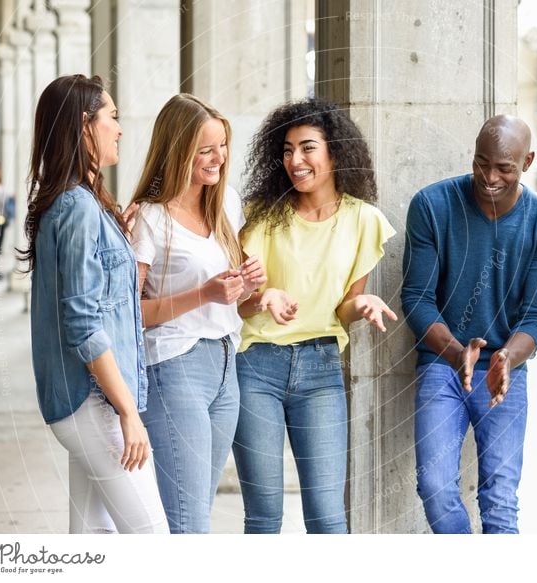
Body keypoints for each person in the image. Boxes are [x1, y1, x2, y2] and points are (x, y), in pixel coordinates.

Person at [233, 97, 397, 534]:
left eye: (307, 148)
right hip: (256, 367)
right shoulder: (261, 217)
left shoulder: (365, 221)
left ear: (335, 152)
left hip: (320, 369)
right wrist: (263, 296)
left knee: (327, 515)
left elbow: (343, 306)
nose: (295, 160)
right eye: (287, 150)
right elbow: (239, 303)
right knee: (264, 515)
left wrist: (360, 306)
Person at [401, 115, 537, 534]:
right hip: (442, 364)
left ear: (528, 161)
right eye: (481, 163)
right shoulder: (432, 205)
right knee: (435, 487)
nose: (489, 176)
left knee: (499, 499)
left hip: (505, 372)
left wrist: (505, 360)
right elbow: (417, 298)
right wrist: (459, 353)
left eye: (504, 168)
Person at [129, 94, 286, 534]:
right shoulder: (150, 218)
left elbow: (233, 298)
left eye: (222, 146)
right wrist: (203, 293)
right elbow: (129, 314)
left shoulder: (226, 204)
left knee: (198, 510)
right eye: (205, 149)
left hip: (225, 364)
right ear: (178, 150)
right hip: (175, 366)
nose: (218, 158)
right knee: (188, 522)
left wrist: (252, 283)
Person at [21, 74, 168, 534]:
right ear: (85, 126)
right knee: (150, 537)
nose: (120, 128)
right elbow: (82, 321)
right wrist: (127, 411)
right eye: (113, 117)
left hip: (85, 399)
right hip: (94, 402)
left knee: (91, 540)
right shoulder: (76, 208)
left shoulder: (77, 203)